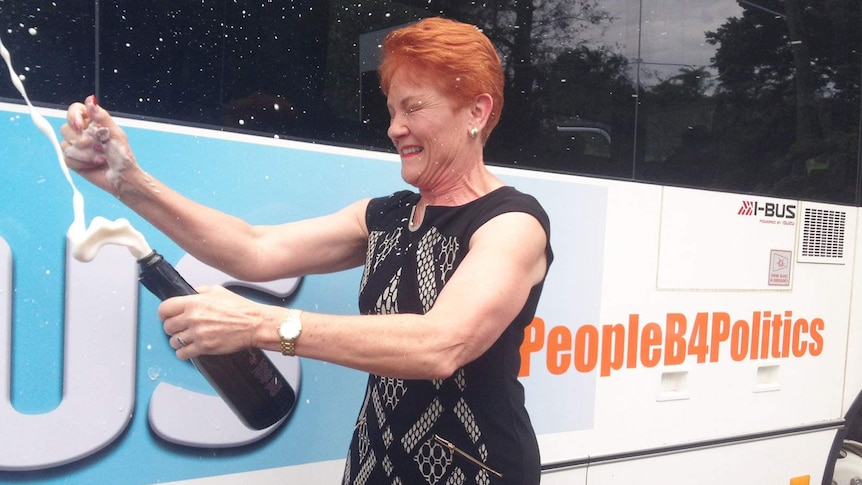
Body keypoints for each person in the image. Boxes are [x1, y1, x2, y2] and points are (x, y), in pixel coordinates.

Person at [60, 17, 552, 485]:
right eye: (392, 111)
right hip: (376, 465)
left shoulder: (513, 223)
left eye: (413, 108)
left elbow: (441, 344)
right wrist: (129, 183)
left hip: (476, 468)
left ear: (477, 112)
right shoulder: (384, 216)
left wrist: (258, 325)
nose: (394, 128)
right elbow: (255, 249)